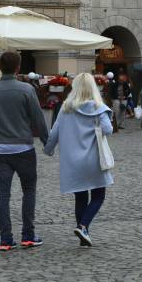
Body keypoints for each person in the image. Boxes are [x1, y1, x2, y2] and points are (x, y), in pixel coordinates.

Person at [0, 51, 51, 251]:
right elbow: (38, 119)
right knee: (29, 191)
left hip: (0, 150)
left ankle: (6, 239)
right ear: (18, 68)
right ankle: (28, 235)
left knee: (3, 195)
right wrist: (46, 141)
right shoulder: (27, 90)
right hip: (24, 148)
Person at [43, 73, 113, 248]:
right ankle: (83, 227)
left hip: (73, 161)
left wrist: (48, 150)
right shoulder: (98, 107)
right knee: (98, 195)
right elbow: (108, 129)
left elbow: (54, 133)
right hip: (94, 159)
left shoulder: (66, 108)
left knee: (80, 196)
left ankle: (83, 233)